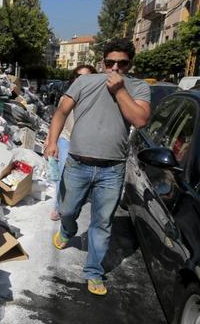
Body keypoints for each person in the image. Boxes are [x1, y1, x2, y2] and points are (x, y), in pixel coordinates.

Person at [43, 39, 151, 296]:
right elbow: (60, 111)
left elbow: (140, 119)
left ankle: (93, 272)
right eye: (110, 62)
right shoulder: (84, 82)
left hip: (112, 170)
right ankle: (68, 229)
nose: (115, 68)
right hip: (78, 163)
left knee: (102, 223)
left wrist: (120, 91)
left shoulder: (138, 87)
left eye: (121, 63)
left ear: (129, 64)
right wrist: (52, 142)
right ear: (102, 62)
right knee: (67, 209)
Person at [49, 64, 97, 221]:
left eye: (86, 77)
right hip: (67, 140)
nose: (81, 80)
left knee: (82, 179)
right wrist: (51, 142)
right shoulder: (66, 98)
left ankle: (73, 205)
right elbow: (58, 118)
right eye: (78, 76)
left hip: (87, 144)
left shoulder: (97, 100)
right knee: (63, 174)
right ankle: (58, 207)